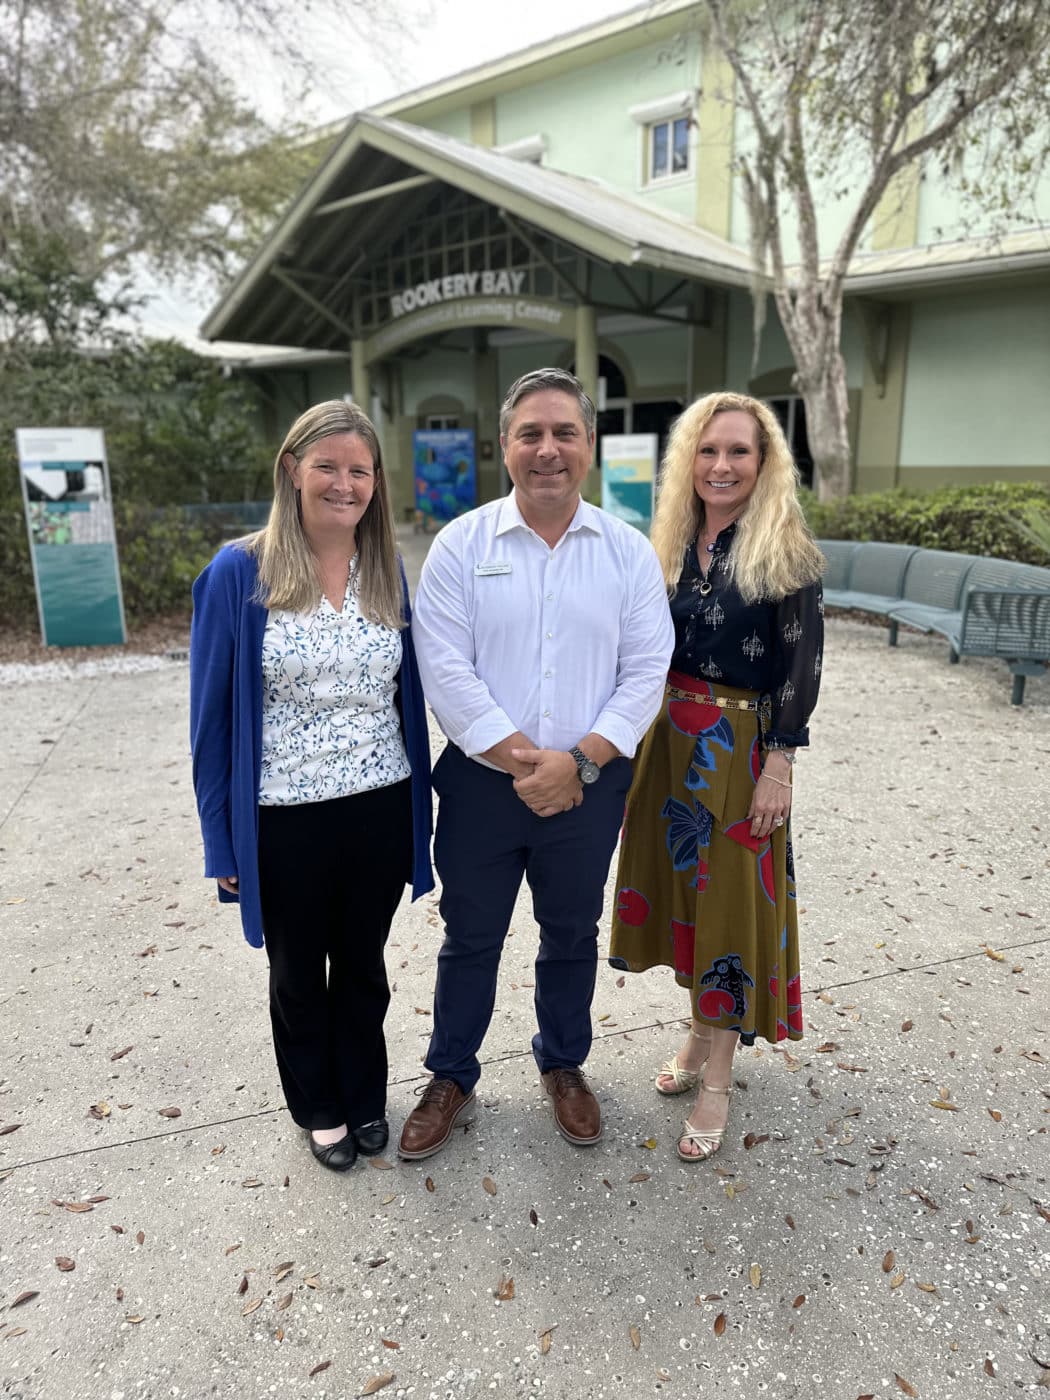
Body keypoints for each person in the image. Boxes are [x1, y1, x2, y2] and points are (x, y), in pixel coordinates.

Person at [400, 368, 674, 1160]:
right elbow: (444, 670)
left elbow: (646, 670)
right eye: (531, 433)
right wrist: (531, 765)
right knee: (470, 936)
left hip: (589, 788)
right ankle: (451, 1073)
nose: (547, 449)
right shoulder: (460, 546)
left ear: (588, 445)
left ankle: (563, 1064)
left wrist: (579, 762)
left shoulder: (626, 553)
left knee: (570, 932)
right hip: (483, 790)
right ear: (504, 445)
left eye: (564, 433)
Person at [189, 401, 433, 1173]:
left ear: (376, 482)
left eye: (359, 470)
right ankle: (318, 1106)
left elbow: (406, 694)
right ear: (292, 470)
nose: (344, 483)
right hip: (282, 817)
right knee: (297, 973)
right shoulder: (240, 572)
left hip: (380, 805)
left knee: (362, 964)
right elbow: (210, 723)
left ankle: (364, 1094)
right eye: (327, 466)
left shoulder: (385, 568)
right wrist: (220, 840)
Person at [608, 391, 824, 1162]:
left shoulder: (786, 550)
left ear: (764, 463)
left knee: (728, 910)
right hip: (667, 740)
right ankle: (699, 1036)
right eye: (708, 450)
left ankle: (719, 1082)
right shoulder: (667, 543)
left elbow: (801, 666)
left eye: (738, 451)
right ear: (687, 461)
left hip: (738, 748)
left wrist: (781, 762)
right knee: (685, 901)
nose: (721, 465)